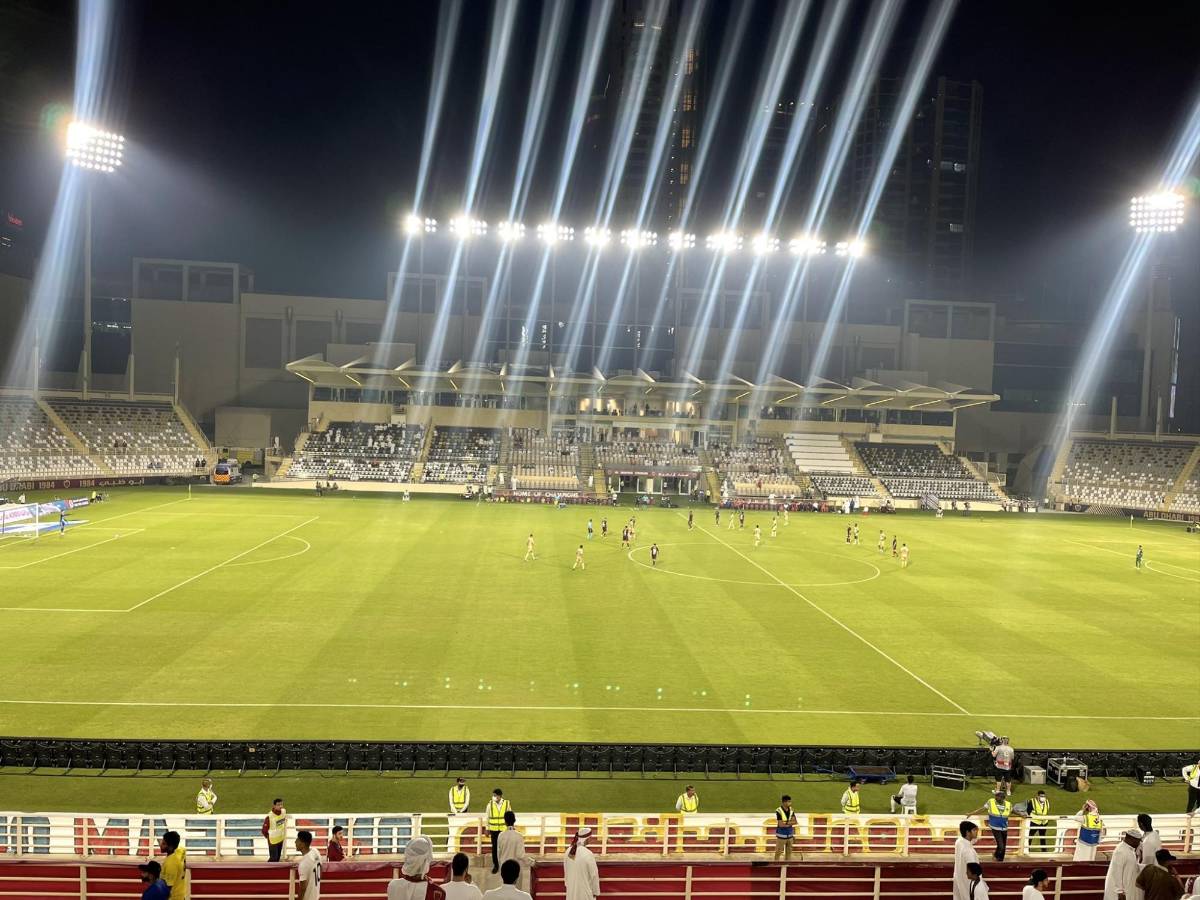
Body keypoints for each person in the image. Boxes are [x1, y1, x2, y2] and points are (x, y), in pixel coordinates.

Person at [971, 790, 1016, 862]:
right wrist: (972, 813)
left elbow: (1013, 811)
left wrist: (1021, 814)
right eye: (996, 795)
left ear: (1002, 798)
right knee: (1001, 846)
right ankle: (995, 856)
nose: (995, 797)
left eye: (997, 796)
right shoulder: (991, 802)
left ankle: (1000, 860)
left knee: (1003, 846)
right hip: (995, 827)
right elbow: (982, 809)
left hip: (1004, 827)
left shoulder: (1008, 804)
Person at [496, 810, 532, 894]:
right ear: (514, 820)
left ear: (505, 821)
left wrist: (500, 867)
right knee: (516, 893)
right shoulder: (519, 836)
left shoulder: (501, 835)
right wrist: (532, 862)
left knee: (504, 893)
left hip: (504, 869)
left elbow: (499, 854)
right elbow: (521, 855)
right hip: (516, 870)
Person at [1103, 829, 1142, 900]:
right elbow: (1117, 872)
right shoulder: (1121, 851)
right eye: (1138, 841)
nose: (1139, 843)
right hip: (1118, 892)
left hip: (1126, 889)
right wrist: (1120, 891)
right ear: (1131, 839)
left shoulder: (1130, 850)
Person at [563, 827, 600, 900]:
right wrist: (595, 892)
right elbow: (594, 875)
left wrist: (569, 886)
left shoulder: (568, 851)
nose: (591, 839)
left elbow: (566, 872)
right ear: (587, 838)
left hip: (571, 892)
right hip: (585, 893)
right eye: (590, 837)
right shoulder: (588, 853)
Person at [953, 821, 981, 900]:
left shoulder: (959, 842)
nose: (977, 832)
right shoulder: (968, 851)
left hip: (959, 878)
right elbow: (973, 872)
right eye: (974, 830)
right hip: (968, 882)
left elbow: (972, 840)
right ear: (967, 832)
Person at [486, 789, 511, 874]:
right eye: (493, 795)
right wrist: (487, 828)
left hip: (504, 830)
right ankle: (496, 865)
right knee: (494, 848)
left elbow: (509, 815)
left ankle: (505, 865)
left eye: (495, 795)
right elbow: (487, 817)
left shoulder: (507, 803)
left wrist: (510, 827)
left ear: (500, 796)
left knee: (504, 848)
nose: (494, 797)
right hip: (494, 830)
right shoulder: (490, 804)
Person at [158, 831, 187, 900]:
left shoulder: (171, 863)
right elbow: (183, 850)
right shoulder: (180, 851)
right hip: (181, 895)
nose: (160, 844)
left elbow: (167, 888)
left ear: (171, 846)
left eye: (164, 843)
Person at [840, 780, 867, 851]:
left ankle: (853, 840)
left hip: (856, 814)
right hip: (848, 815)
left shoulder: (856, 792)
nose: (859, 788)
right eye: (857, 786)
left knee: (855, 828)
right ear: (853, 787)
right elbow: (842, 802)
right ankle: (846, 842)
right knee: (848, 829)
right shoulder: (847, 793)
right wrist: (846, 811)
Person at [296, 830, 322, 900]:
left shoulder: (303, 863)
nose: (295, 842)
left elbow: (303, 888)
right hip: (316, 895)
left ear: (303, 844)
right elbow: (319, 868)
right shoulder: (316, 851)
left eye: (297, 840)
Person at [774, 794, 798, 861]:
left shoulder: (791, 810)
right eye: (789, 801)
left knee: (789, 853)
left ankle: (787, 865)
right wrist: (790, 823)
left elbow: (795, 822)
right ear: (784, 802)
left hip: (790, 835)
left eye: (790, 801)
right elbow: (780, 824)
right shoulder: (779, 810)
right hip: (781, 836)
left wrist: (786, 823)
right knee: (778, 852)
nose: (790, 803)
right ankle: (775, 865)